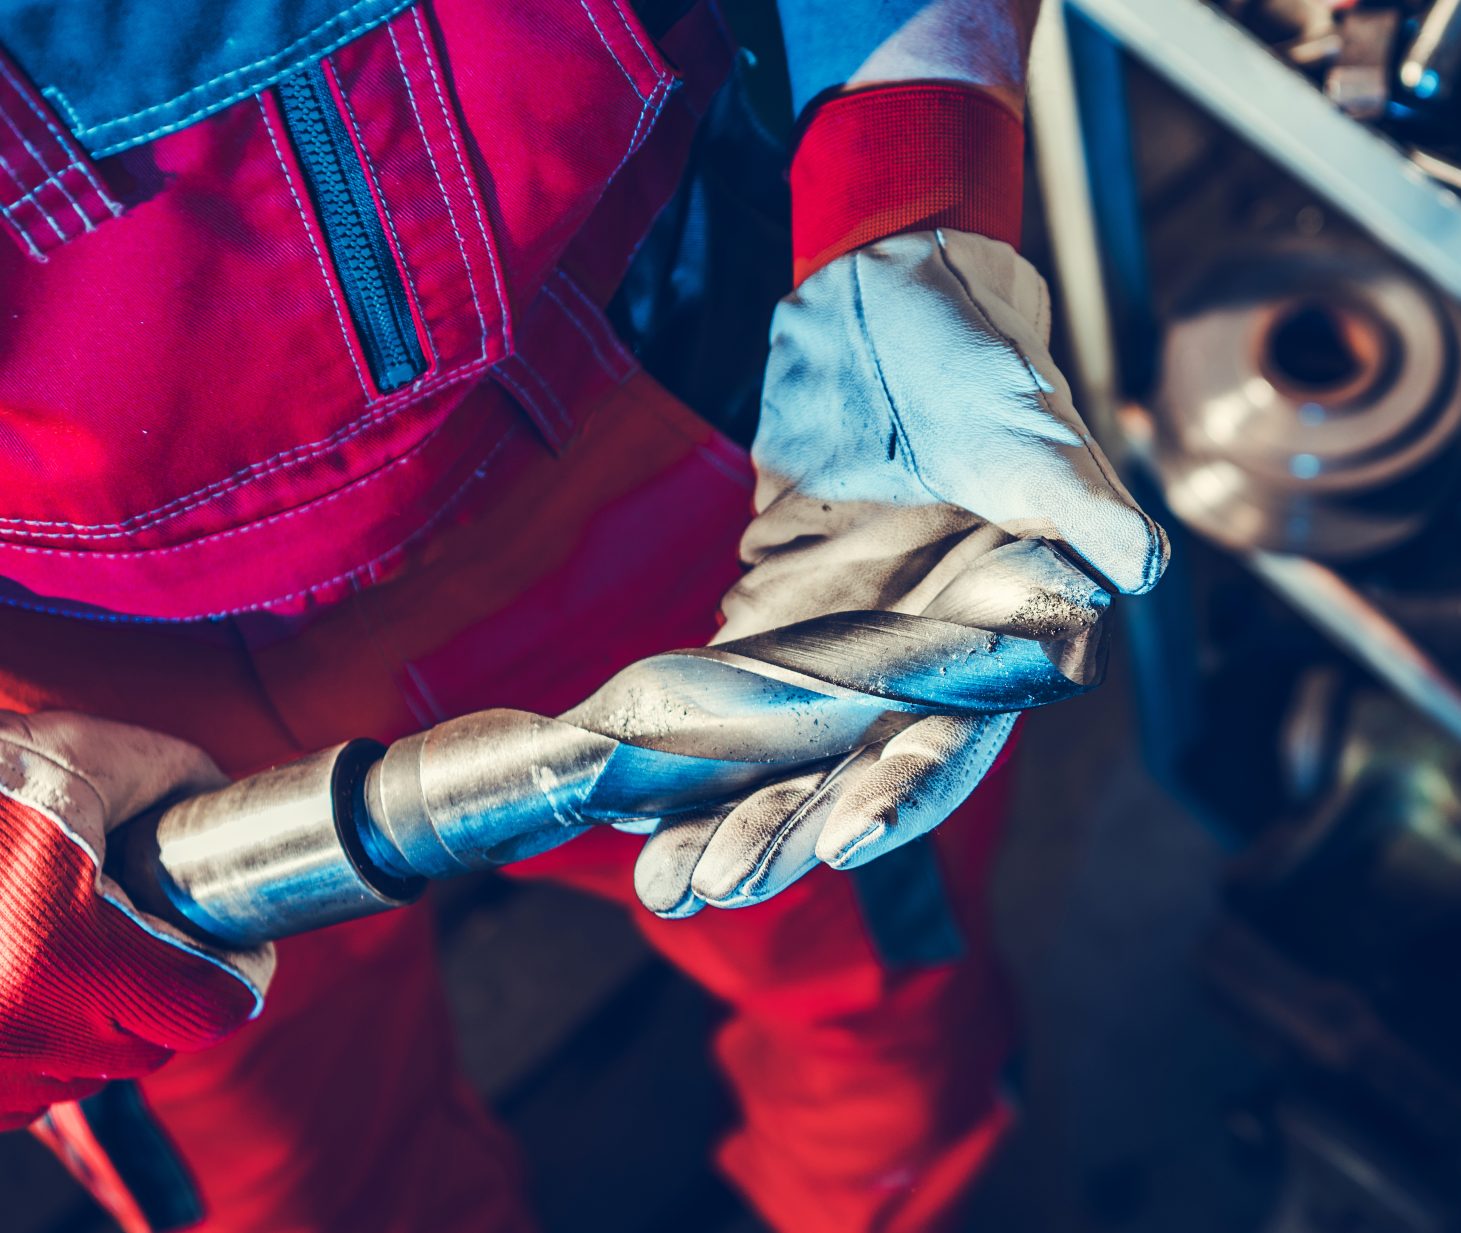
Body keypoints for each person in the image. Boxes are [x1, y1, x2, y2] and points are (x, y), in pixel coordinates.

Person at [0, 1, 1165, 1230]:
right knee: (275, 1191)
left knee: (879, 998)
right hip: (62, 712)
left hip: (674, 434)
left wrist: (908, 183)